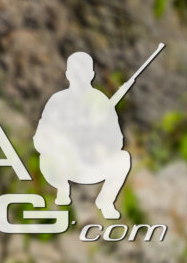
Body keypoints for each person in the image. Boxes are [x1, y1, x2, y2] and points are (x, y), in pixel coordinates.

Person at [36, 50, 139, 220]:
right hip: (62, 167)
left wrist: (100, 134)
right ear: (68, 74)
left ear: (91, 74)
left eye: (83, 72)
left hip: (91, 165)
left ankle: (106, 201)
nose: (79, 77)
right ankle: (62, 190)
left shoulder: (101, 101)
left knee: (123, 158)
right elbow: (41, 139)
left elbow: (117, 142)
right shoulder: (57, 101)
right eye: (76, 72)